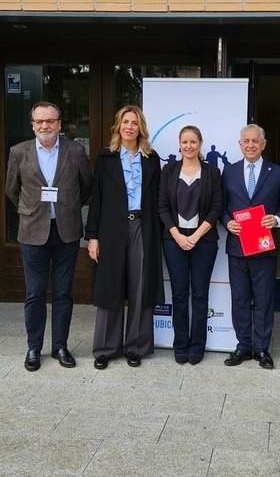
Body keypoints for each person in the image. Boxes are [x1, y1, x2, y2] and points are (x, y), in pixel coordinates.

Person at [5, 101, 92, 372]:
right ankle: (34, 348)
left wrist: (68, 208)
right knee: (34, 293)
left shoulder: (75, 151)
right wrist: (31, 211)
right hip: (32, 232)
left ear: (59, 124)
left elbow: (86, 187)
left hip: (66, 230)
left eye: (50, 121)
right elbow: (12, 190)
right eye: (40, 121)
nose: (45, 126)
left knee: (64, 293)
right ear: (32, 124)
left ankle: (60, 347)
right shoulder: (18, 152)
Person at [85, 105, 163, 369]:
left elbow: (158, 199)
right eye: (125, 122)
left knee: (140, 288)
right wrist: (92, 237)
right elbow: (97, 200)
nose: (129, 127)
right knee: (111, 286)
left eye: (134, 122)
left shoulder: (152, 159)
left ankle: (136, 347)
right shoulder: (106, 158)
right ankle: (106, 349)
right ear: (118, 126)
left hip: (143, 226)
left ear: (141, 127)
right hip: (111, 230)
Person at [222, 124, 280, 369]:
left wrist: (276, 219)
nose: (250, 145)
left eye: (255, 141)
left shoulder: (277, 172)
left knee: (264, 299)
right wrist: (227, 222)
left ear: (263, 144)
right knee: (239, 298)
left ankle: (262, 348)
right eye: (246, 141)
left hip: (264, 247)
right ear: (240, 144)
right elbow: (221, 206)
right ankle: (243, 346)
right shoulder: (229, 172)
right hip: (237, 247)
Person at [159, 125, 223, 365]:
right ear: (179, 144)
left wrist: (196, 235)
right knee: (179, 294)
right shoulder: (169, 170)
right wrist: (176, 234)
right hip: (174, 240)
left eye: (193, 142)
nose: (188, 146)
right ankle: (180, 344)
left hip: (204, 241)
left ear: (200, 143)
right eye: (184, 142)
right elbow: (162, 206)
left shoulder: (211, 173)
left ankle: (197, 345)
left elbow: (218, 206)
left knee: (200, 294)